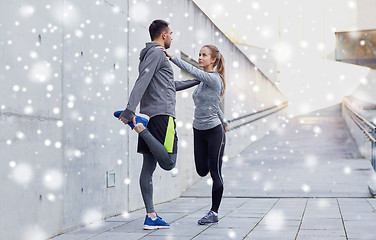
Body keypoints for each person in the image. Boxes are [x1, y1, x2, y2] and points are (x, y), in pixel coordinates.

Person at [118, 19, 199, 230]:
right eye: (170, 33)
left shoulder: (150, 56)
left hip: (150, 114)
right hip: (162, 117)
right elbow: (142, 81)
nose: (172, 37)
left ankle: (151, 216)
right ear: (163, 35)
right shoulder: (157, 53)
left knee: (148, 167)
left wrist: (197, 80)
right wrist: (129, 110)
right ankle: (139, 127)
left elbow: (169, 85)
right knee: (169, 162)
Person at [162, 45, 229, 225]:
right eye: (199, 54)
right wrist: (226, 120)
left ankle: (214, 212)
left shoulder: (214, 78)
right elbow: (213, 103)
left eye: (204, 55)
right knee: (201, 169)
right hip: (198, 130)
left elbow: (192, 71)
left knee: (215, 172)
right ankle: (213, 161)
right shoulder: (203, 82)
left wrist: (172, 57)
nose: (200, 58)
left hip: (214, 132)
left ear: (213, 60)